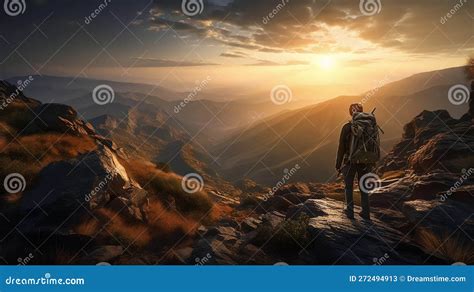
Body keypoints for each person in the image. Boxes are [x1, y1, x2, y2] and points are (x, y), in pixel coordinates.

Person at [335, 103, 375, 220]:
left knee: (348, 187)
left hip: (350, 161)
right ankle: (366, 213)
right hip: (365, 161)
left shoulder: (347, 127)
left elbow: (341, 147)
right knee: (364, 187)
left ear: (350, 113)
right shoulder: (370, 126)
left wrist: (338, 164)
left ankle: (350, 211)